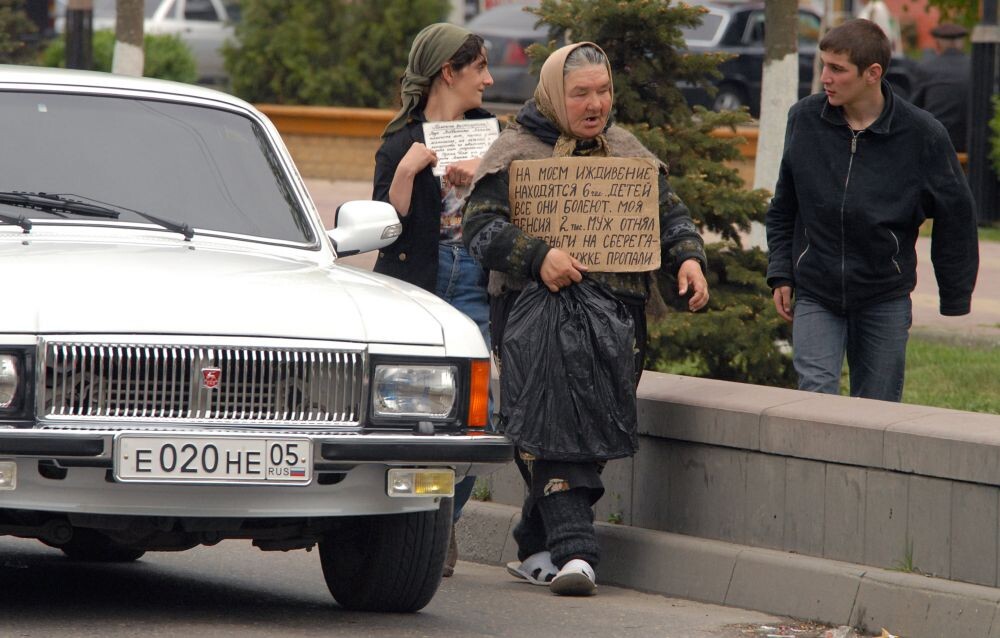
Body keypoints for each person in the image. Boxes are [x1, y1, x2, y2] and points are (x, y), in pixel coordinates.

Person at [462, 42, 709, 596]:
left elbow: (669, 217)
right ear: (554, 94)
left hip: (617, 322)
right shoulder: (514, 152)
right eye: (581, 93)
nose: (595, 103)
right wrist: (538, 257)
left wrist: (689, 257)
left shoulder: (626, 151)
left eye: (603, 91)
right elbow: (479, 229)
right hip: (534, 317)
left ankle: (536, 541)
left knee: (590, 425)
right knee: (553, 413)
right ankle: (577, 553)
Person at [765, 19, 979, 402]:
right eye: (823, 65)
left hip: (884, 296)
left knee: (876, 412)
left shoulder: (923, 135)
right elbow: (784, 206)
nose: (825, 77)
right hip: (816, 289)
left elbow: (956, 215)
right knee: (814, 400)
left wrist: (955, 294)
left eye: (837, 69)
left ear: (872, 73)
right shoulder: (804, 119)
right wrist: (781, 272)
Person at [372, 22, 495, 578]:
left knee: (481, 412)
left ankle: (443, 519)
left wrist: (489, 171)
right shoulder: (400, 141)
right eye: (479, 70)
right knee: (414, 414)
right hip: (418, 280)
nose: (488, 81)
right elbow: (383, 225)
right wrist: (406, 171)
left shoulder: (491, 136)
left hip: (472, 278)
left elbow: (521, 200)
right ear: (449, 72)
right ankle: (413, 523)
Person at [911, 22, 971, 152]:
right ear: (963, 44)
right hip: (970, 143)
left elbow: (914, 107)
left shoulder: (927, 68)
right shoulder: (976, 67)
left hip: (937, 143)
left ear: (937, 44)